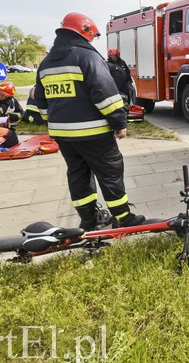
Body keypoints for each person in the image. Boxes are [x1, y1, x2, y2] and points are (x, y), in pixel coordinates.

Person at [33, 12, 146, 231]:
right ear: (84, 32)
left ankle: (88, 219)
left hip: (63, 135)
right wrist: (119, 123)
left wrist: (54, 124)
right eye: (91, 36)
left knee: (78, 174)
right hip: (93, 133)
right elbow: (105, 94)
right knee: (110, 171)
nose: (91, 41)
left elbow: (41, 100)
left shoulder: (46, 63)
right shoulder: (87, 57)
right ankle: (123, 217)